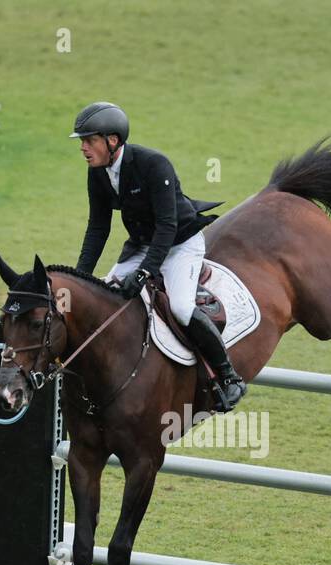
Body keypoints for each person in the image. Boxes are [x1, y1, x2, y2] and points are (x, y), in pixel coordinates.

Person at [71, 101, 247, 411]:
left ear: (112, 141)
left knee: (179, 307)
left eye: (89, 140)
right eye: (82, 141)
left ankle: (229, 376)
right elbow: (98, 228)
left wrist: (145, 272)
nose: (83, 147)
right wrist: (79, 276)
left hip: (180, 242)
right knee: (105, 299)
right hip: (141, 245)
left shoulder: (154, 165)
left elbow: (167, 225)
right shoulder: (97, 173)